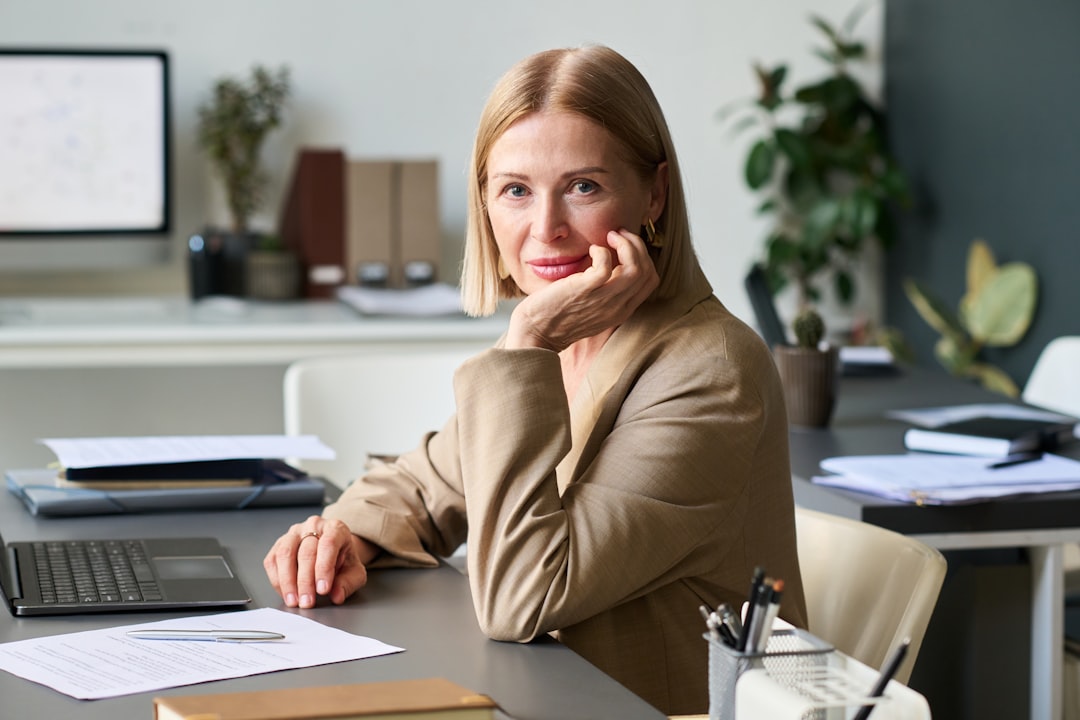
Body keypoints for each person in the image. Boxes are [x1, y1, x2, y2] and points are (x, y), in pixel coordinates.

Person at [264, 44, 806, 716]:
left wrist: (527, 341)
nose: (546, 229)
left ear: (654, 195)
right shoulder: (575, 339)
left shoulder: (709, 370)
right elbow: (423, 484)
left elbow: (527, 598)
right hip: (544, 695)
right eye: (515, 190)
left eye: (584, 187)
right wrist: (340, 536)